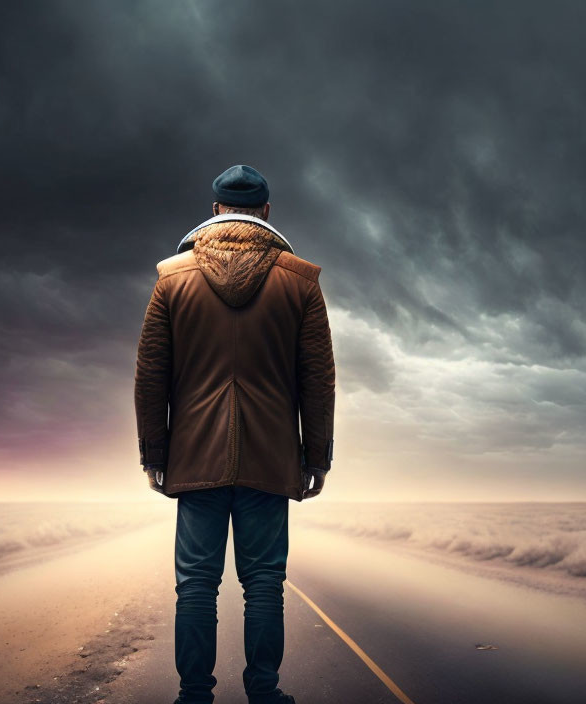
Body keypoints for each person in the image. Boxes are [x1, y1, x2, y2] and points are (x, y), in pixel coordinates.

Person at [134, 164, 336, 704]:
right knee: (264, 584)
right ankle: (264, 694)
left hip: (193, 458)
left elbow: (150, 376)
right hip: (271, 461)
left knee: (197, 585)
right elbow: (318, 381)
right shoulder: (302, 283)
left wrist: (156, 452)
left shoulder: (171, 280)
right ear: (266, 213)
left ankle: (194, 695)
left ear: (217, 211)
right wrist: (316, 457)